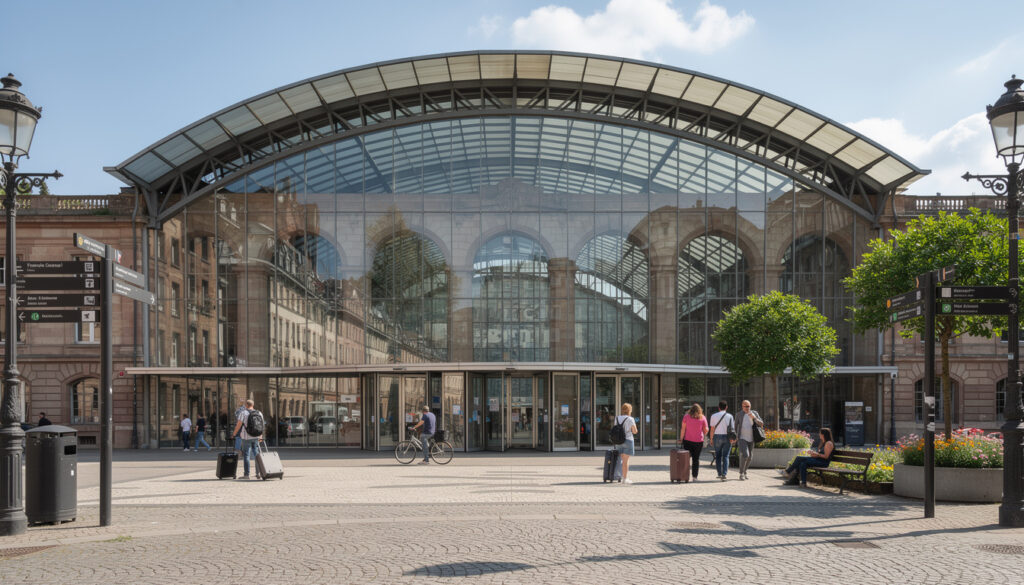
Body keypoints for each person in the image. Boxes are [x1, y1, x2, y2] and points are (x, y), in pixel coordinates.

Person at [679, 403, 709, 481]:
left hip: (687, 440)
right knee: (696, 459)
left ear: (691, 409)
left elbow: (683, 429)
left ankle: (684, 476)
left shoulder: (686, 417)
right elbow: (705, 431)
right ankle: (694, 477)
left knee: (686, 459)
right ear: (700, 410)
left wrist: (681, 438)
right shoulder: (703, 418)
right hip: (698, 441)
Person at [232, 399, 261, 479]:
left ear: (246, 405)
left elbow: (238, 425)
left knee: (246, 455)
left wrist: (234, 434)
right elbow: (261, 426)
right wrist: (260, 436)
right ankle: (259, 473)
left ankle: (246, 474)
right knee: (257, 455)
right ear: (253, 405)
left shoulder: (243, 413)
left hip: (246, 437)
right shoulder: (259, 413)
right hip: (256, 436)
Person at [735, 400, 764, 480]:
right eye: (746, 406)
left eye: (749, 406)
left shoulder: (754, 413)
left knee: (750, 457)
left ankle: (745, 471)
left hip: (752, 438)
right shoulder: (739, 414)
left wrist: (754, 418)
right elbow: (735, 426)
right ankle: (741, 473)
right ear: (742, 406)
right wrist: (735, 437)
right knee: (745, 455)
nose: (748, 408)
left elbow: (761, 424)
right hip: (742, 438)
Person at [708, 401, 735, 480]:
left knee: (718, 456)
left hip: (717, 437)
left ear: (718, 407)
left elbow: (712, 429)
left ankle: (719, 473)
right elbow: (732, 429)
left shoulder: (713, 416)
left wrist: (711, 438)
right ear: (726, 407)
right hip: (727, 437)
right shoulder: (730, 416)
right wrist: (732, 439)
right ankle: (724, 474)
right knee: (726, 456)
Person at [616, 403, 639, 484]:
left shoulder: (617, 418)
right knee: (626, 461)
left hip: (619, 441)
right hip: (628, 440)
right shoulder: (630, 419)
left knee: (622, 460)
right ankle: (625, 479)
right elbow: (635, 431)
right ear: (630, 410)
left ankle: (621, 476)